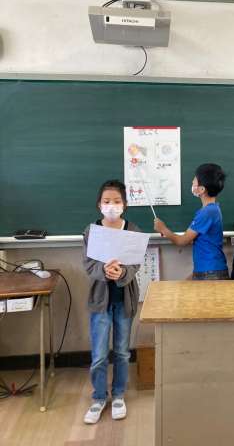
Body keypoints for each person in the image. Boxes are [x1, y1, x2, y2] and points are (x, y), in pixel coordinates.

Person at [83, 179, 141, 424]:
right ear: (99, 204)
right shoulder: (91, 231)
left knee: (122, 352)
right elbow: (88, 264)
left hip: (124, 300)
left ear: (124, 205)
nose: (111, 206)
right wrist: (104, 271)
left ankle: (118, 395)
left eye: (117, 201)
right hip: (100, 300)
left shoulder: (133, 230)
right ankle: (98, 398)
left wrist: (122, 272)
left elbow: (135, 263)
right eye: (107, 201)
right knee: (98, 354)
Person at [154, 163, 229, 280]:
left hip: (210, 272)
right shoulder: (211, 210)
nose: (192, 182)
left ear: (202, 189)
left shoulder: (207, 212)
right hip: (208, 269)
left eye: (195, 180)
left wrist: (163, 229)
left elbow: (182, 241)